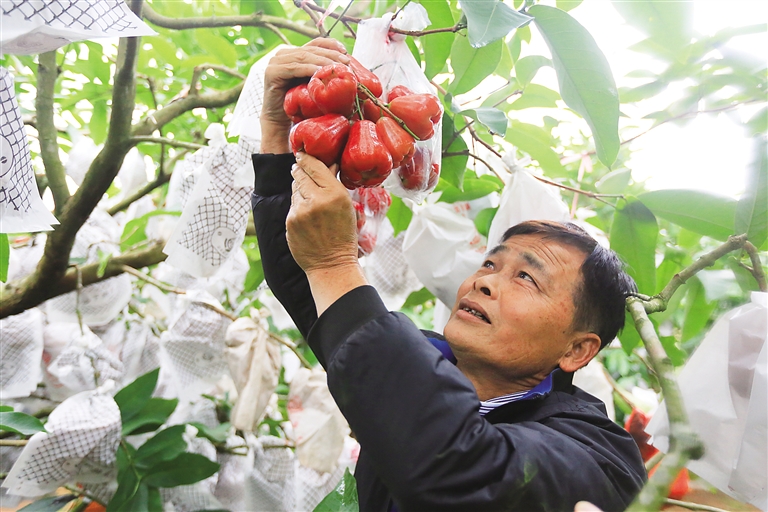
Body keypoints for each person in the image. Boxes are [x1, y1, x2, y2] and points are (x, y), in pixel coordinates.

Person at [252, 38, 646, 512]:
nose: (484, 281)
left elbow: (462, 469)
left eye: (527, 279)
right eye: (490, 263)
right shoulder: (422, 359)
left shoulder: (601, 456)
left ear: (577, 349)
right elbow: (307, 287)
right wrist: (277, 133)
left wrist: (336, 265)